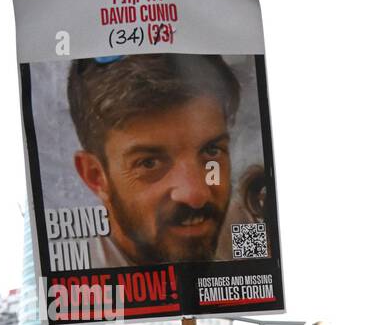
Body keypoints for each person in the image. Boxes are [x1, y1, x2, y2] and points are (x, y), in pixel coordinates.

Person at [67, 54, 250, 267]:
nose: (195, 194)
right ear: (96, 176)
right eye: (149, 163)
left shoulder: (242, 221)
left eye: (211, 151)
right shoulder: (83, 287)